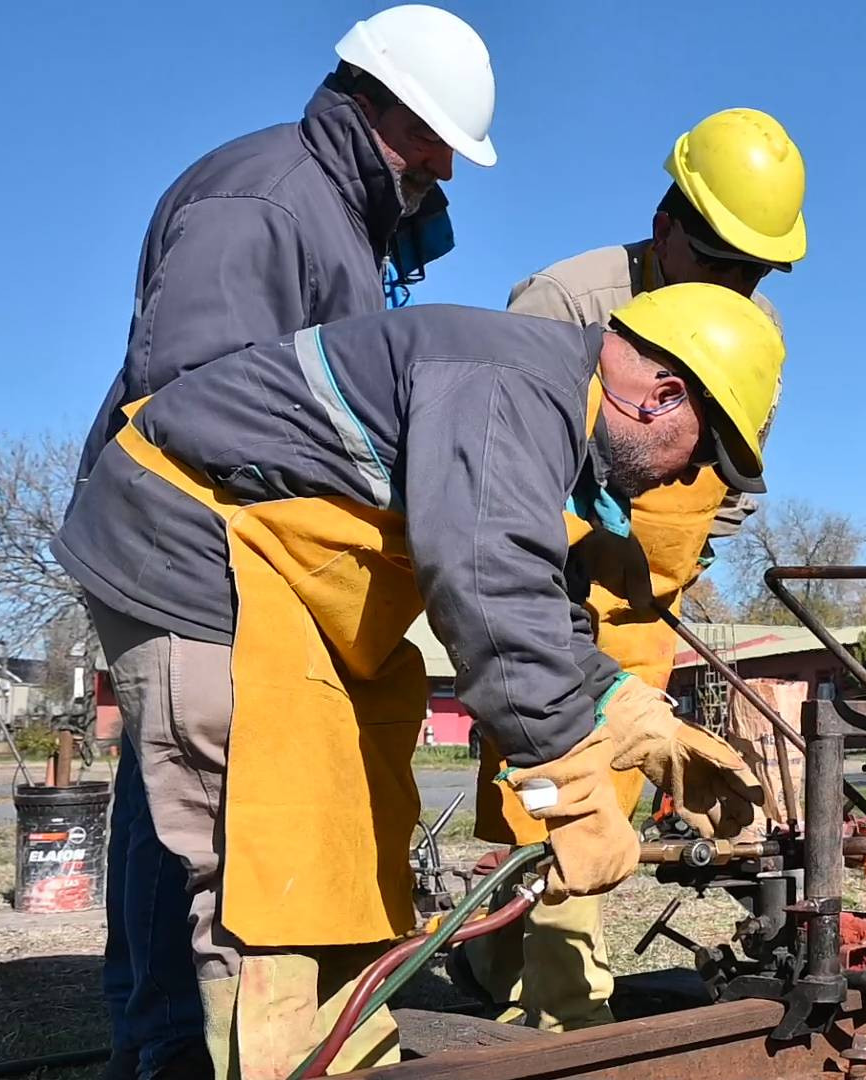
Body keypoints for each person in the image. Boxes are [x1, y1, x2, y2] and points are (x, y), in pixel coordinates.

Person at [53, 285, 779, 1078]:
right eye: (703, 454)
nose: (687, 482)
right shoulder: (514, 390)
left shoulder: (548, 418)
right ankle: (279, 1061)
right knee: (267, 846)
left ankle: (345, 1056)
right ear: (665, 397)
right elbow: (490, 598)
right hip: (189, 549)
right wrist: (571, 793)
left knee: (351, 831)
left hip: (276, 574)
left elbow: (540, 612)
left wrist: (648, 730)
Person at [79, 8, 499, 1077]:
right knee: (224, 817)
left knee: (163, 796)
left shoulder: (336, 214)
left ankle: (155, 1027)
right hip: (197, 549)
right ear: (392, 111)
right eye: (443, 140)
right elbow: (197, 398)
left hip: (222, 552)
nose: (447, 167)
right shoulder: (268, 203)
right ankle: (175, 1042)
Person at [452, 107, 806, 1031]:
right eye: (725, 266)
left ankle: (530, 978)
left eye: (759, 272)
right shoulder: (568, 302)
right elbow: (493, 466)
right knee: (543, 790)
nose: (743, 288)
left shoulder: (750, 334)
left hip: (644, 608)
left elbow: (734, 479)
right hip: (536, 586)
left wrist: (681, 563)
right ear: (665, 230)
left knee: (606, 806)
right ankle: (557, 1012)